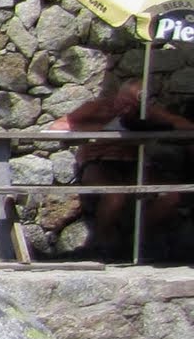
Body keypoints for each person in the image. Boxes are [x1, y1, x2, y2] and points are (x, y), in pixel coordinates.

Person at [45, 81, 194, 258]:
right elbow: (58, 127)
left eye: (132, 106)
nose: (126, 109)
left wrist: (154, 121)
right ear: (118, 96)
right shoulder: (97, 108)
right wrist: (103, 129)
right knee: (114, 195)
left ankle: (136, 237)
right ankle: (102, 242)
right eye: (124, 103)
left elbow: (187, 127)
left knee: (171, 195)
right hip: (100, 162)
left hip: (133, 164)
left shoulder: (148, 114)